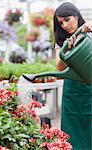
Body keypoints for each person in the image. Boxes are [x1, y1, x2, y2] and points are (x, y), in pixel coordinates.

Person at [53, 2, 92, 150]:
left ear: (76, 15)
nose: (64, 25)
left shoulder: (88, 33)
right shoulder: (62, 41)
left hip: (90, 90)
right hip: (72, 93)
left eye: (67, 19)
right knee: (72, 134)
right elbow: (59, 68)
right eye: (61, 23)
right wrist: (67, 49)